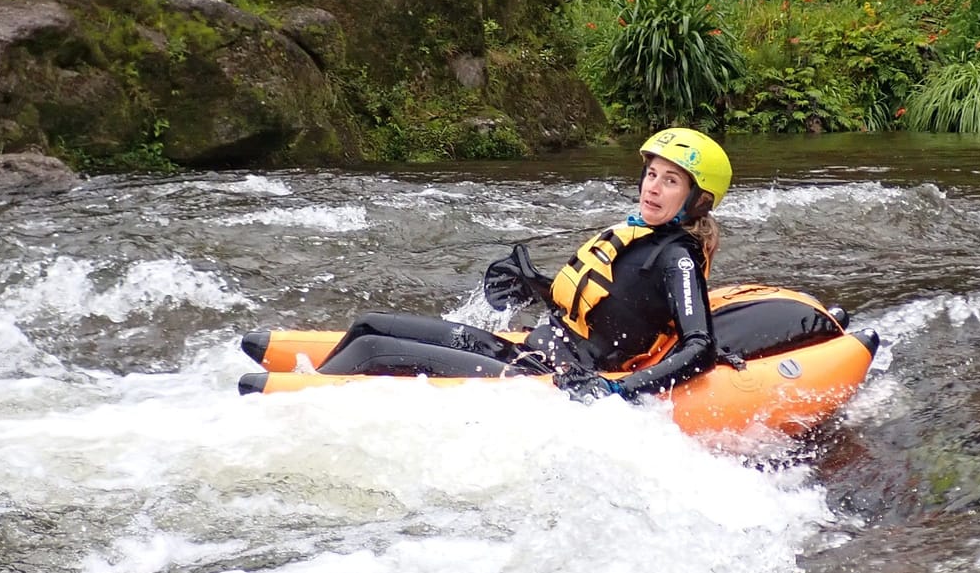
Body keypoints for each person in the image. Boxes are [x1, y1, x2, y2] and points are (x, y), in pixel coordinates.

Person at [310, 128, 731, 402]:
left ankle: (295, 408)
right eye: (652, 174)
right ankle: (308, 388)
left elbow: (701, 348)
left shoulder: (677, 258)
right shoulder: (637, 234)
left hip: (550, 379)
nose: (653, 188)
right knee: (369, 325)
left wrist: (615, 389)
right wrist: (533, 286)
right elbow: (606, 306)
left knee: (371, 351)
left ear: (698, 199)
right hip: (527, 352)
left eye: (670, 181)